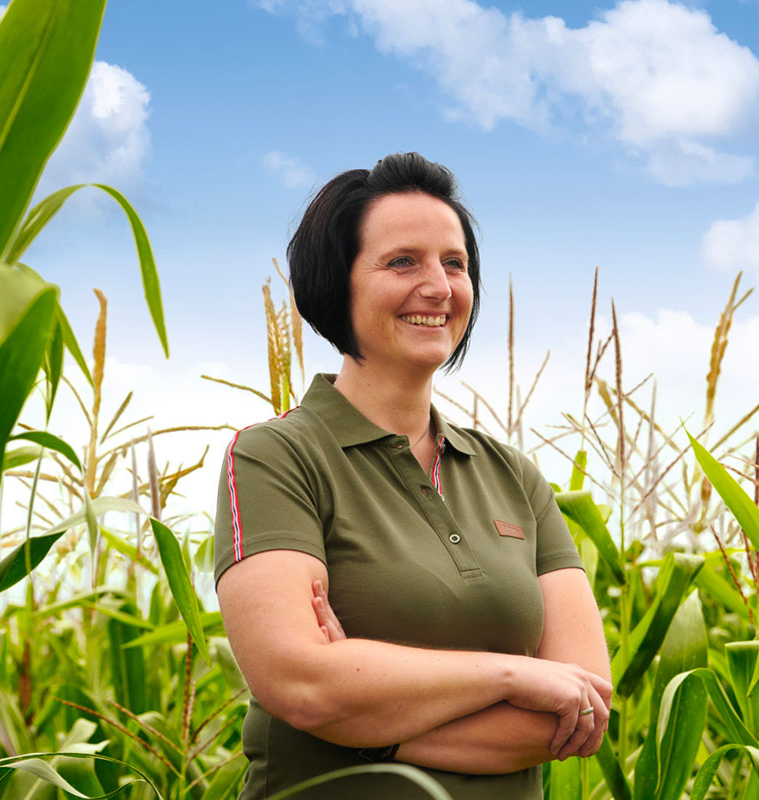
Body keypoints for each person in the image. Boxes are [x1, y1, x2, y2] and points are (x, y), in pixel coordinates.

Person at [213, 152, 611, 799]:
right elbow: (302, 686)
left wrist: (364, 722)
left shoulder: (514, 476)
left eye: (454, 263)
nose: (438, 286)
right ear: (336, 282)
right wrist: (514, 676)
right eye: (403, 262)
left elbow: (581, 706)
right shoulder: (274, 457)